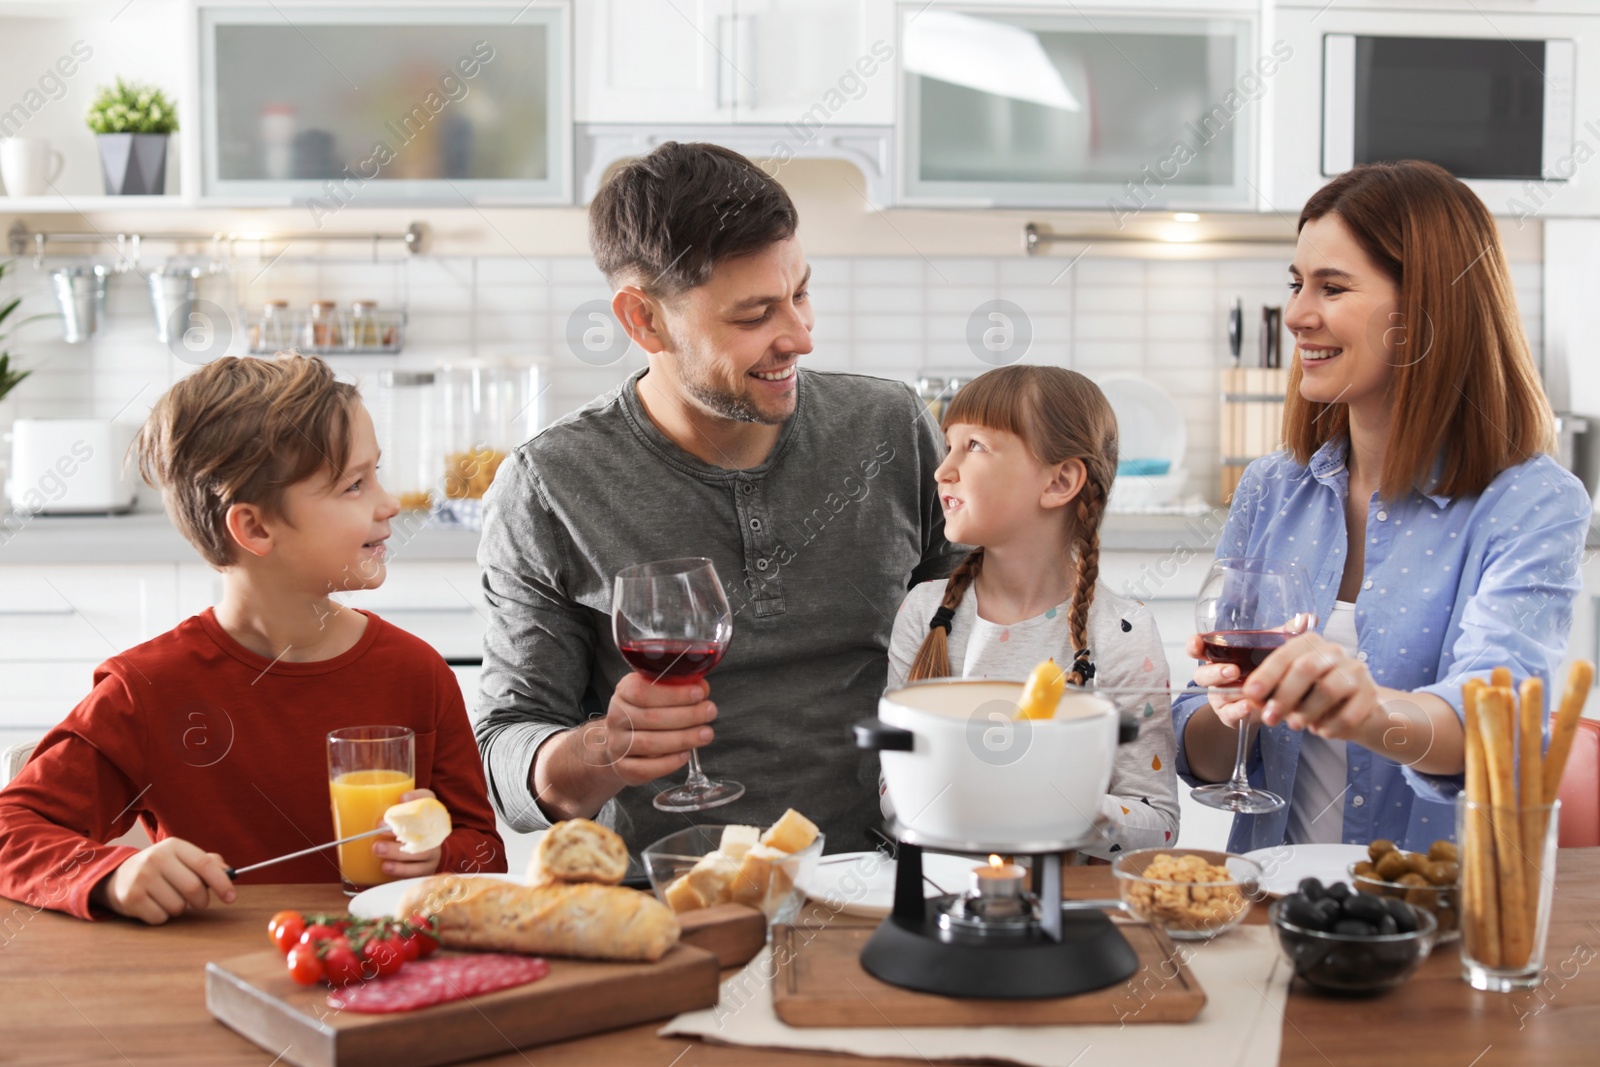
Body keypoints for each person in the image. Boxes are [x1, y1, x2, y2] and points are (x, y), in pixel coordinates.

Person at [476, 141, 963, 854]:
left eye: (800, 292)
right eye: (754, 314)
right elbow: (507, 745)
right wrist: (598, 748)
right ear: (643, 320)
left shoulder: (891, 429)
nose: (799, 335)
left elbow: (984, 635)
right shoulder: (550, 485)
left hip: (891, 878)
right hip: (665, 898)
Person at [1172, 160, 1590, 853]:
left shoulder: (1531, 503)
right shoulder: (1273, 488)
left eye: (1332, 287)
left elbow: (1495, 729)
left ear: (1426, 313)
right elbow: (1212, 758)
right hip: (1273, 912)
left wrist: (1366, 712)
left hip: (1432, 919)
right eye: (1297, 284)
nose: (1299, 314)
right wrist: (1232, 710)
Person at [0, 354, 505, 923]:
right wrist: (112, 876)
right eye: (354, 485)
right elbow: (10, 831)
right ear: (255, 528)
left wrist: (439, 856)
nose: (388, 504)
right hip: (210, 980)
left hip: (382, 972)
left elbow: (484, 850)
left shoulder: (416, 672)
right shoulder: (147, 690)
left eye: (376, 475)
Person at [885, 365, 1180, 857]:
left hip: (1072, 908)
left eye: (974, 446)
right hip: (944, 895)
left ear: (1059, 481)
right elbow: (893, 790)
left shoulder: (1123, 633)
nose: (942, 469)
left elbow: (1158, 824)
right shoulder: (923, 612)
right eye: (948, 443)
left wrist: (1058, 801)